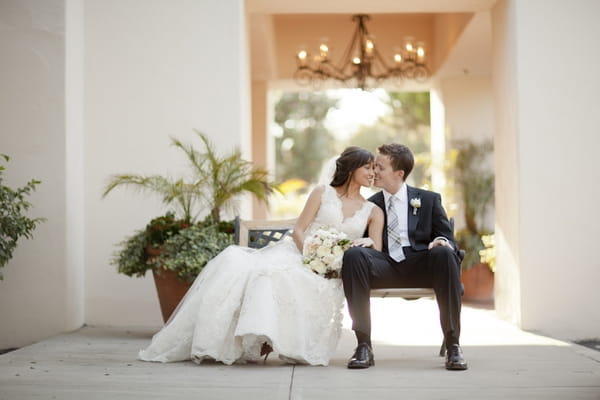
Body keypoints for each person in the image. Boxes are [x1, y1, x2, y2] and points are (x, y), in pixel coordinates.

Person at [138, 147, 384, 366]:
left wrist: (366, 243)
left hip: (334, 268)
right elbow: (299, 230)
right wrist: (310, 259)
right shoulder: (322, 193)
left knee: (293, 280)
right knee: (262, 273)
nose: (373, 172)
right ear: (351, 168)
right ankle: (245, 340)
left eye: (375, 168)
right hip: (299, 253)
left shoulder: (372, 210)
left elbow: (377, 254)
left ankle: (283, 342)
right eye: (367, 166)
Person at [341, 143, 468, 371]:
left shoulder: (428, 200)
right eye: (372, 166)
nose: (373, 171)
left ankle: (453, 346)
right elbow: (365, 240)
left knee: (444, 252)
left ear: (399, 174)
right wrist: (365, 242)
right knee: (354, 256)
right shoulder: (370, 205)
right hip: (385, 266)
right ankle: (363, 346)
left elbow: (446, 235)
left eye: (379, 167)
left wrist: (441, 241)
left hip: (421, 264)